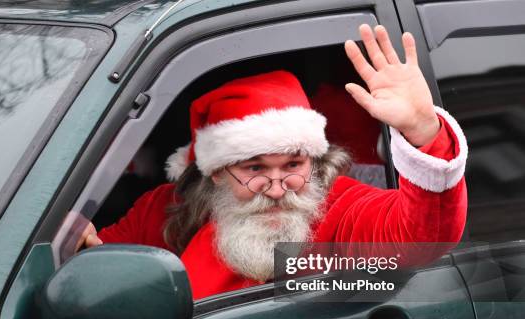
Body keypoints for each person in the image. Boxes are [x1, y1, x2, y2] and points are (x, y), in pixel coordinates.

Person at [75, 24, 468, 299]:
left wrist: (424, 133)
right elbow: (102, 269)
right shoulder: (164, 209)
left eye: (293, 166)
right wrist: (79, 246)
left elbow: (421, 235)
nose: (278, 188)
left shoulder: (341, 206)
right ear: (215, 172)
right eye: (255, 169)